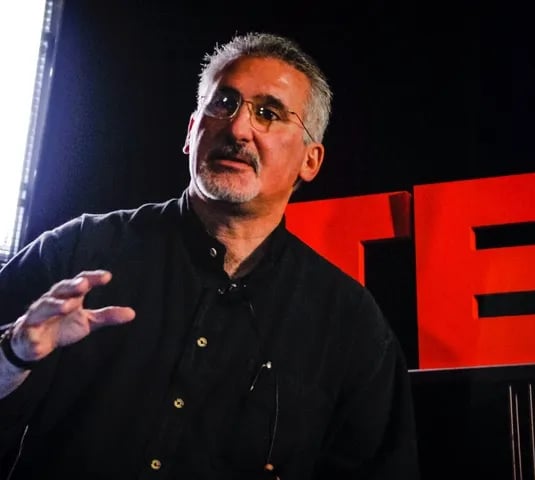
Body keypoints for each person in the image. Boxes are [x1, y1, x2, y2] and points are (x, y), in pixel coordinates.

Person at [0, 32, 420, 479]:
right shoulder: (77, 253)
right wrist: (13, 356)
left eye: (268, 113)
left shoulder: (351, 326)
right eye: (223, 103)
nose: (238, 129)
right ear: (191, 131)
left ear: (310, 160)